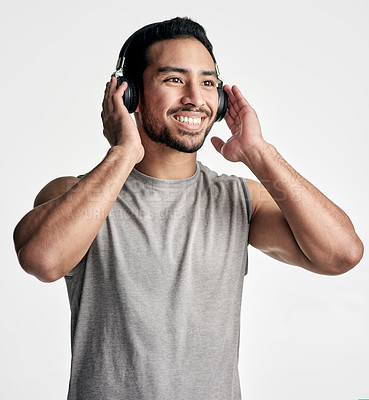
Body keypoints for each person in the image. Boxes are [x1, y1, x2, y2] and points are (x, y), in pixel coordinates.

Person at [13, 17, 363, 400]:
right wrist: (123, 152)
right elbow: (42, 260)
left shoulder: (240, 200)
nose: (196, 97)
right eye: (174, 79)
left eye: (209, 82)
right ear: (130, 95)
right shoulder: (73, 194)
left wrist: (260, 154)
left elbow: (342, 254)